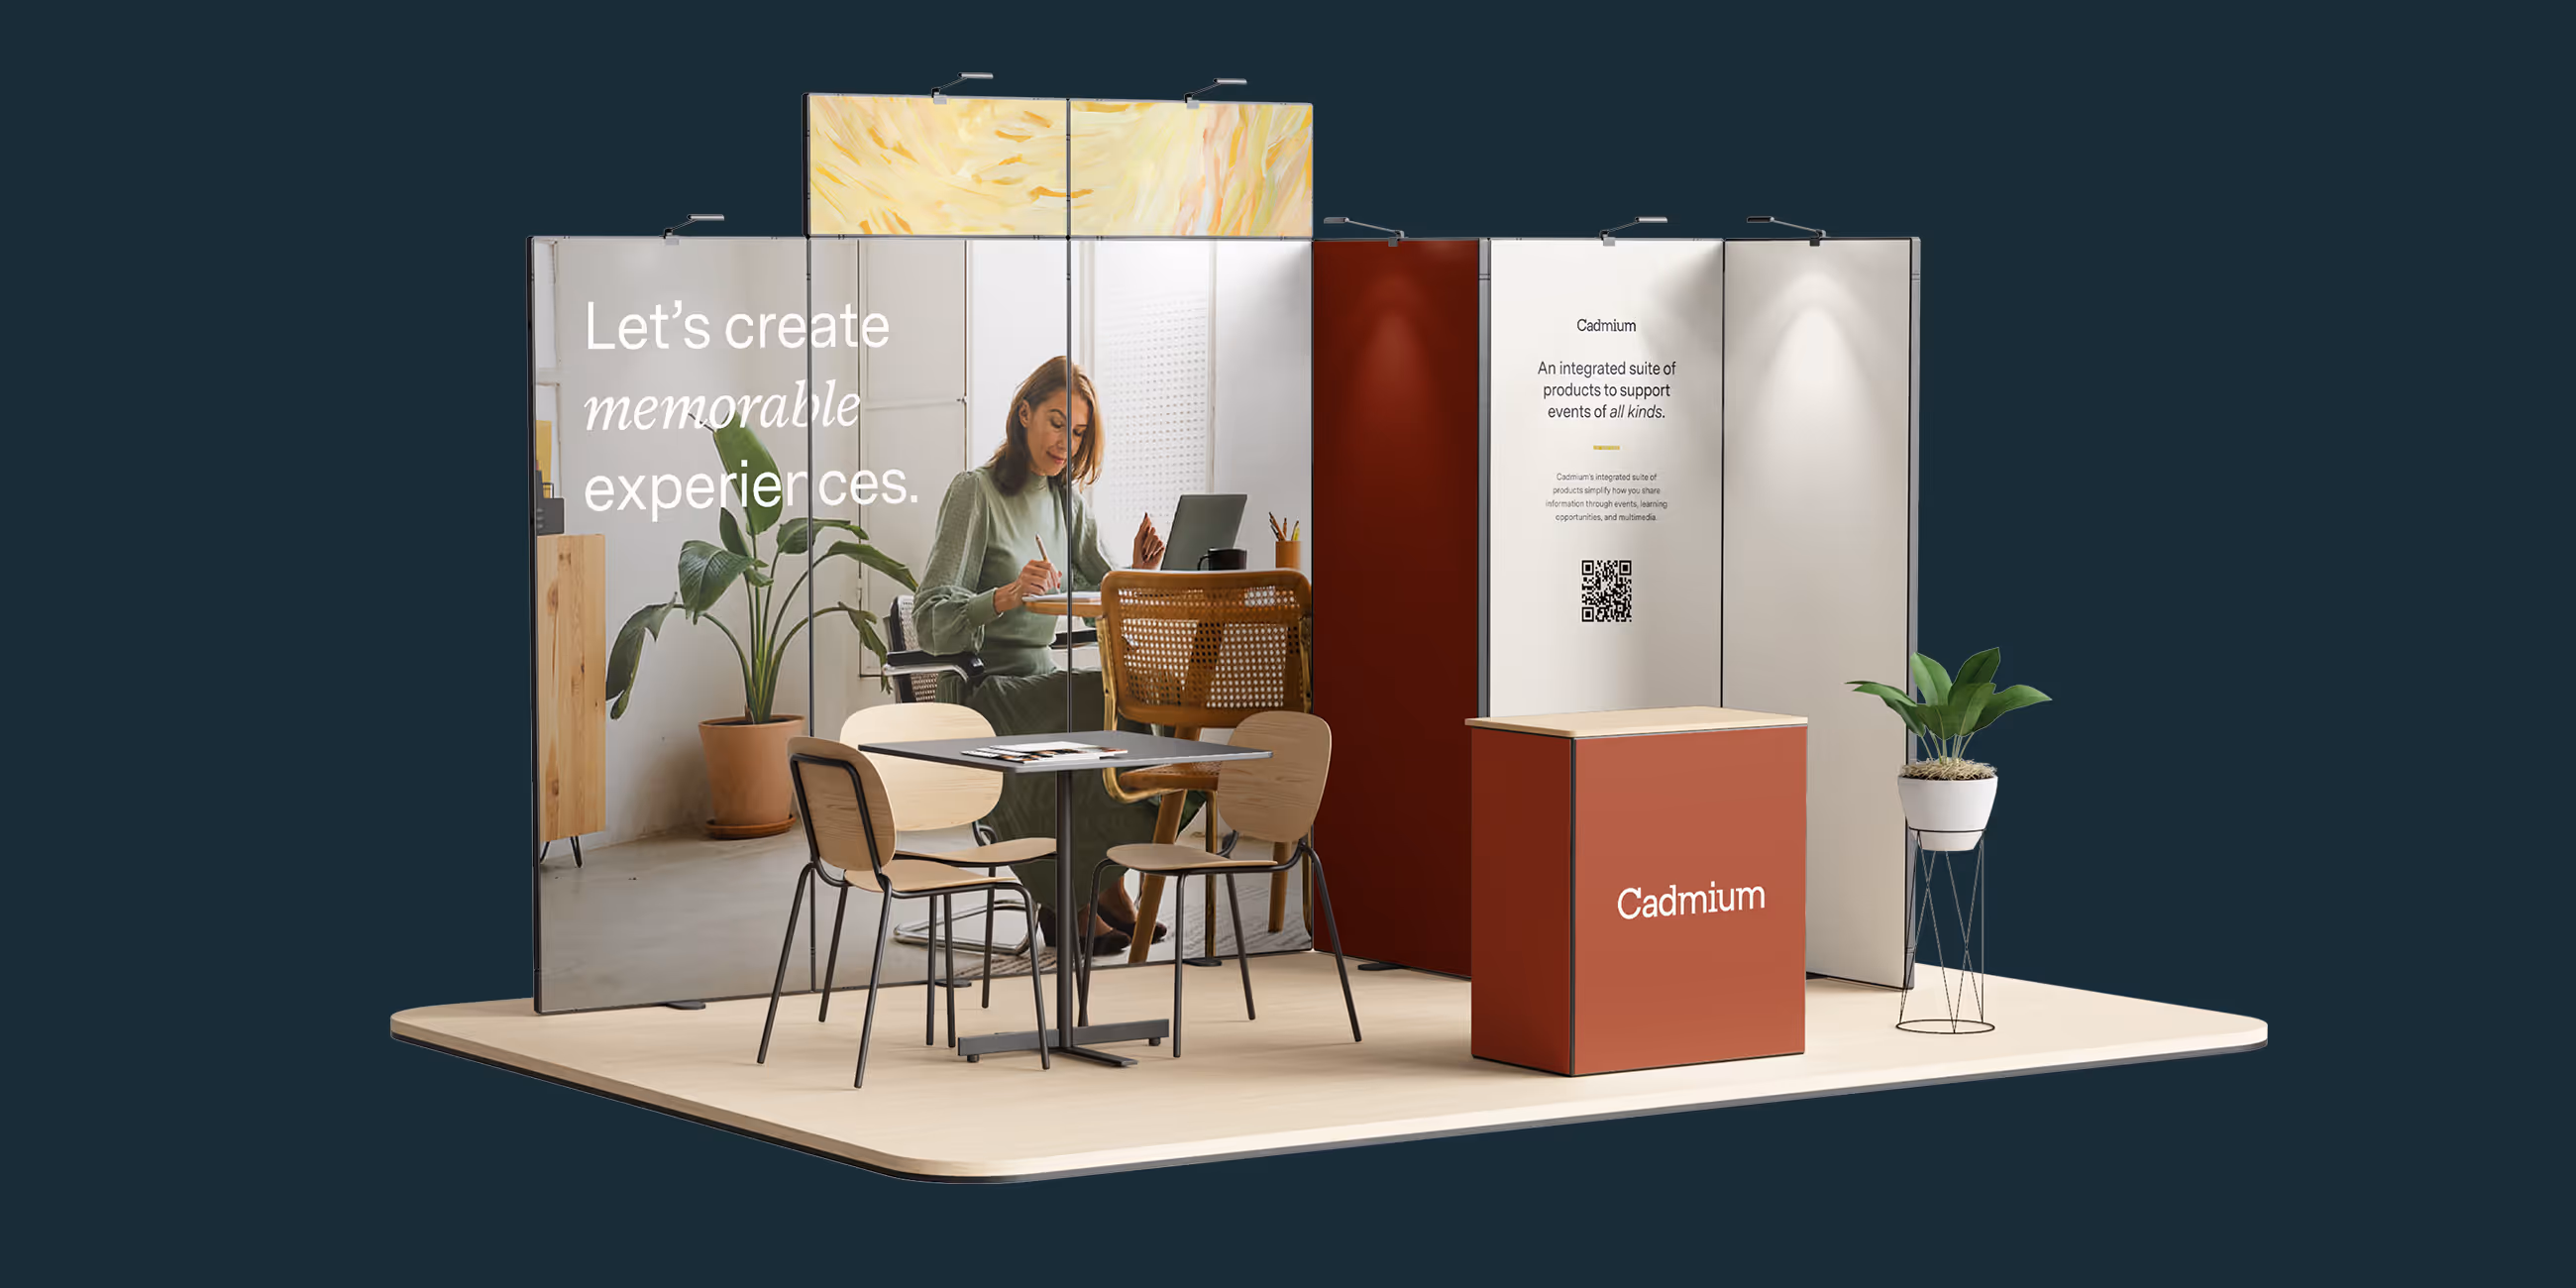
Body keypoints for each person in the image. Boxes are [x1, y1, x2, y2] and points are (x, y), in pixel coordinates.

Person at [910, 357, 1170, 954]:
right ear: (1024, 414)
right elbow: (929, 618)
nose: (1065, 443)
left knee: (1127, 702)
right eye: (1056, 423)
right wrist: (1004, 596)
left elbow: (1105, 591)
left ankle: (1104, 884)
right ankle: (1072, 898)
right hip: (981, 692)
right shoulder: (974, 492)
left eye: (1077, 432)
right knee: (1103, 701)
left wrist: (1138, 572)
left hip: (1037, 682)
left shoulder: (1063, 500)